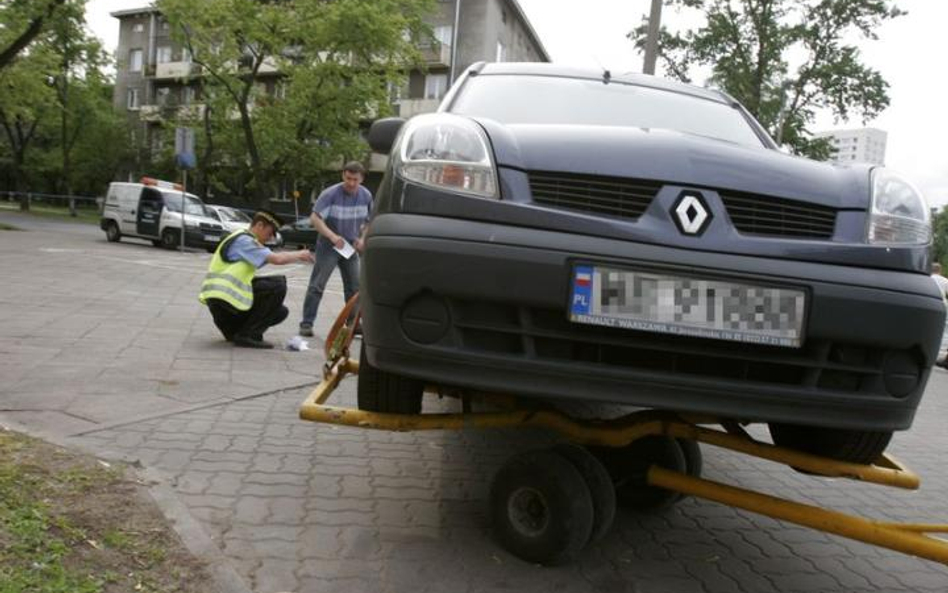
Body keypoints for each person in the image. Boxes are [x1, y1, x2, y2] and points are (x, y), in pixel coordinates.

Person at [200, 210, 315, 349]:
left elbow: (266, 258)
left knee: (280, 312)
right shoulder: (245, 241)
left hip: (225, 311)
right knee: (277, 285)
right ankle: (248, 335)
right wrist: (300, 254)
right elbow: (277, 259)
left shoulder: (241, 237)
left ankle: (240, 332)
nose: (271, 238)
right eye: (270, 233)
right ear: (260, 225)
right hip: (225, 308)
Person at [299, 161, 372, 337]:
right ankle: (306, 324)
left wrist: (362, 238)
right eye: (348, 178)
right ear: (343, 175)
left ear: (361, 179)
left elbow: (369, 221)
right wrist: (332, 236)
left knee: (355, 288)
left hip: (350, 246)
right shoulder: (330, 194)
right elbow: (315, 218)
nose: (351, 183)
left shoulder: (366, 195)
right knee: (317, 285)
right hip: (329, 245)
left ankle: (353, 323)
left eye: (355, 179)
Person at [932, 262, 948, 368]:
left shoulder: (927, 277)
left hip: (927, 301)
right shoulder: (945, 280)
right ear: (940, 271)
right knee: (944, 329)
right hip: (942, 304)